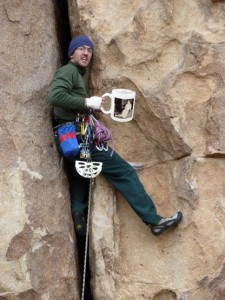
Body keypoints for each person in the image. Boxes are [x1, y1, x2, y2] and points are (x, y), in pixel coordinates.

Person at [48, 34, 183, 237]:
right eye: (81, 48)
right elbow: (55, 96)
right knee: (124, 172)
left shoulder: (75, 74)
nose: (86, 53)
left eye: (89, 50)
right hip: (79, 137)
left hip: (69, 139)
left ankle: (78, 218)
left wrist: (90, 108)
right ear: (71, 53)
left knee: (79, 176)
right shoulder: (69, 71)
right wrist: (86, 103)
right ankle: (154, 221)